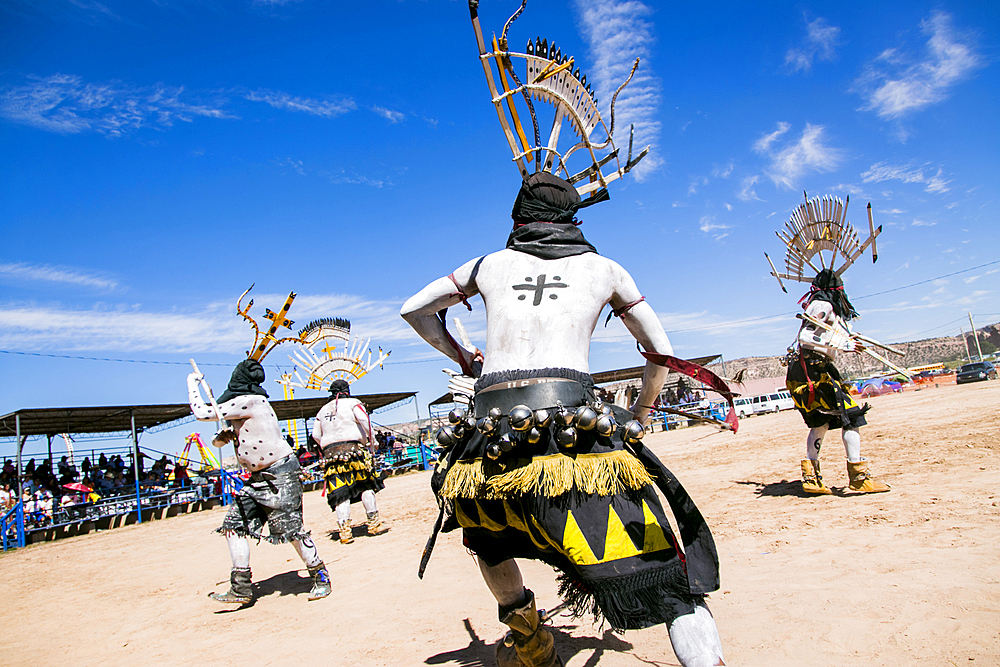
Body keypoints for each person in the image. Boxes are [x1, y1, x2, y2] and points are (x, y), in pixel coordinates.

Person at [401, 172, 725, 667]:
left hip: (489, 440)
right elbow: (663, 352)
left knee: (489, 540)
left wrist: (470, 360)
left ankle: (529, 639)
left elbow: (414, 309)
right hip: (572, 441)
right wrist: (640, 413)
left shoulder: (488, 264)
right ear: (574, 217)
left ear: (516, 218)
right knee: (660, 566)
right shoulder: (607, 270)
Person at [187, 359, 331, 604]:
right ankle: (241, 587)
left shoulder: (251, 401)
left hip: (279, 475)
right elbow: (224, 441)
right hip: (255, 480)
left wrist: (192, 383)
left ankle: (321, 577)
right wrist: (224, 437)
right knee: (234, 526)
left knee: (292, 530)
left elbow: (203, 413)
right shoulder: (244, 406)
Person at [787, 268, 890, 495]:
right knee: (852, 418)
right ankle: (858, 477)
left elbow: (822, 337)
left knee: (820, 423)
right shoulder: (822, 305)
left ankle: (812, 478)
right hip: (812, 371)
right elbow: (805, 336)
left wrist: (847, 340)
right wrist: (843, 344)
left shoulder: (825, 306)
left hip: (815, 369)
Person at [311, 379, 387, 544]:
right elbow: (365, 421)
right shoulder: (354, 403)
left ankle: (345, 532)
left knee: (341, 493)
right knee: (366, 486)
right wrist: (372, 442)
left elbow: (316, 435)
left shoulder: (322, 411)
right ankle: (373, 523)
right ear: (347, 390)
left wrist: (329, 446)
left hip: (332, 457)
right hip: (354, 452)